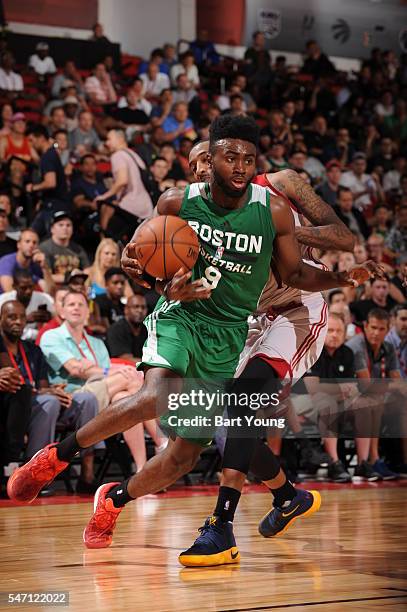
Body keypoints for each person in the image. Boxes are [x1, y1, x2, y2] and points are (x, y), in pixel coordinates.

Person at [7, 115, 371, 561]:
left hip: (231, 332)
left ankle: (113, 500)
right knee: (154, 397)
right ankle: (54, 457)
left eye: (245, 159)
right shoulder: (176, 204)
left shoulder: (272, 207)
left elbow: (297, 271)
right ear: (204, 163)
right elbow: (135, 263)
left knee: (185, 455)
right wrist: (162, 287)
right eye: (220, 158)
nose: (232, 166)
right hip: (181, 316)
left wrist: (342, 279)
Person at [0, 299, 102, 493]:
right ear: (1, 319)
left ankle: (87, 473)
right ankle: (34, 476)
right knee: (49, 402)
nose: (18, 322)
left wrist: (55, 391)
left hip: (37, 401)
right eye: (12, 317)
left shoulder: (33, 350)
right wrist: (46, 393)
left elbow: (43, 386)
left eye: (22, 317)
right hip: (15, 406)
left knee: (86, 399)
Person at [346, 308, 402, 480]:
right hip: (347, 397)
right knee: (373, 401)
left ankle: (397, 461)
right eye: (373, 327)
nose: (376, 333)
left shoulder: (389, 347)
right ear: (365, 326)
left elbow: (398, 381)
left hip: (375, 397)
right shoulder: (356, 345)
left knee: (402, 405)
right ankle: (372, 459)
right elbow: (367, 384)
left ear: (388, 329)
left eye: (381, 329)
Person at [94, 129, 153, 237]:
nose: (107, 143)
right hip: (146, 207)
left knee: (109, 233)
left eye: (109, 139)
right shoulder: (134, 154)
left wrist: (104, 196)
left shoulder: (118, 155)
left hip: (132, 207)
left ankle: (104, 244)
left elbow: (122, 180)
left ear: (120, 139)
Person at [27, 125, 70, 238]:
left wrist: (32, 188)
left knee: (38, 237)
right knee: (34, 235)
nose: (30, 144)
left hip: (53, 206)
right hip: (52, 204)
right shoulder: (51, 154)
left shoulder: (47, 156)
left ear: (41, 137)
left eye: (31, 140)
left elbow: (51, 182)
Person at [0, 269, 54, 340]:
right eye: (23, 288)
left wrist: (49, 317)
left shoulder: (44, 298)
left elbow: (58, 319)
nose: (28, 291)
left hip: (37, 340)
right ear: (14, 287)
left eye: (31, 287)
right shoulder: (3, 300)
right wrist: (25, 320)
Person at [39, 211, 90, 284]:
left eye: (68, 225)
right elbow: (46, 276)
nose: (65, 228)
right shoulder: (44, 248)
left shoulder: (78, 249)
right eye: (61, 225)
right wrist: (71, 277)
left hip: (76, 288)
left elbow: (87, 270)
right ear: (52, 229)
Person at [0, 228, 53, 295]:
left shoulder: (36, 264)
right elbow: (10, 292)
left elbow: (50, 292)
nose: (31, 245)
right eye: (27, 241)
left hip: (26, 300)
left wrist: (44, 267)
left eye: (34, 242)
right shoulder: (7, 261)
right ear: (18, 245)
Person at [106, 293, 148, 362]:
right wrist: (152, 364)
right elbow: (125, 359)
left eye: (143, 307)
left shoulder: (148, 329)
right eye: (135, 307)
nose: (140, 310)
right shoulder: (116, 329)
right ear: (126, 310)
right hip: (122, 370)